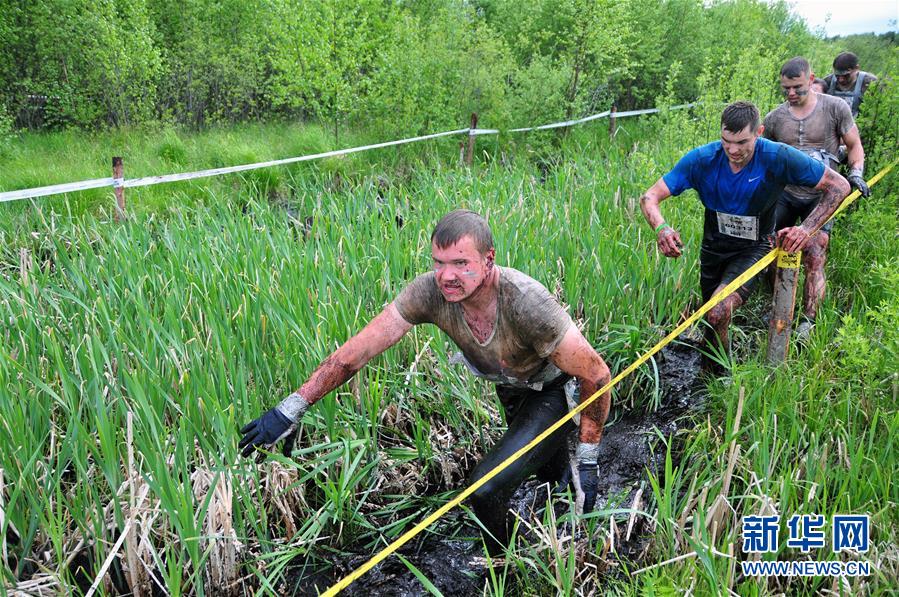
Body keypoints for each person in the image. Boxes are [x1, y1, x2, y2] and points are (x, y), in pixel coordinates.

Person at [238, 210, 613, 554]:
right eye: (439, 263)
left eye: (461, 263)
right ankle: (561, 510)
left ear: (488, 259)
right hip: (512, 387)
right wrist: (291, 409)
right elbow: (358, 351)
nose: (447, 275)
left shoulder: (527, 303)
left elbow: (595, 373)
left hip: (550, 389)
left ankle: (506, 564)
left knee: (485, 488)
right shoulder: (430, 293)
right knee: (546, 471)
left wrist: (590, 457)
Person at [639, 101, 850, 372]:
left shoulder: (778, 156)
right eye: (726, 141)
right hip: (714, 246)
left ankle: (727, 376)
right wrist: (661, 229)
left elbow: (838, 186)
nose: (733, 150)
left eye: (742, 142)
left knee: (718, 310)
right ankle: (712, 378)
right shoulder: (702, 160)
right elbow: (649, 197)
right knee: (711, 321)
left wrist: (805, 229)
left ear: (759, 132)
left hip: (755, 246)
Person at [763, 57, 869, 338]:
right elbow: (762, 157)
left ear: (810, 80)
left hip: (822, 195)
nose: (791, 94)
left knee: (815, 250)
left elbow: (854, 145)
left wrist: (856, 173)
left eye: (797, 87)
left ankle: (808, 320)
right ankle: (777, 305)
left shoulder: (835, 108)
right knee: (771, 246)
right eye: (785, 88)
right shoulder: (775, 118)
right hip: (785, 193)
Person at [822, 52, 878, 118]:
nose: (841, 80)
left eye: (845, 75)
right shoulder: (827, 82)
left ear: (857, 68)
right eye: (837, 75)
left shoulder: (869, 83)